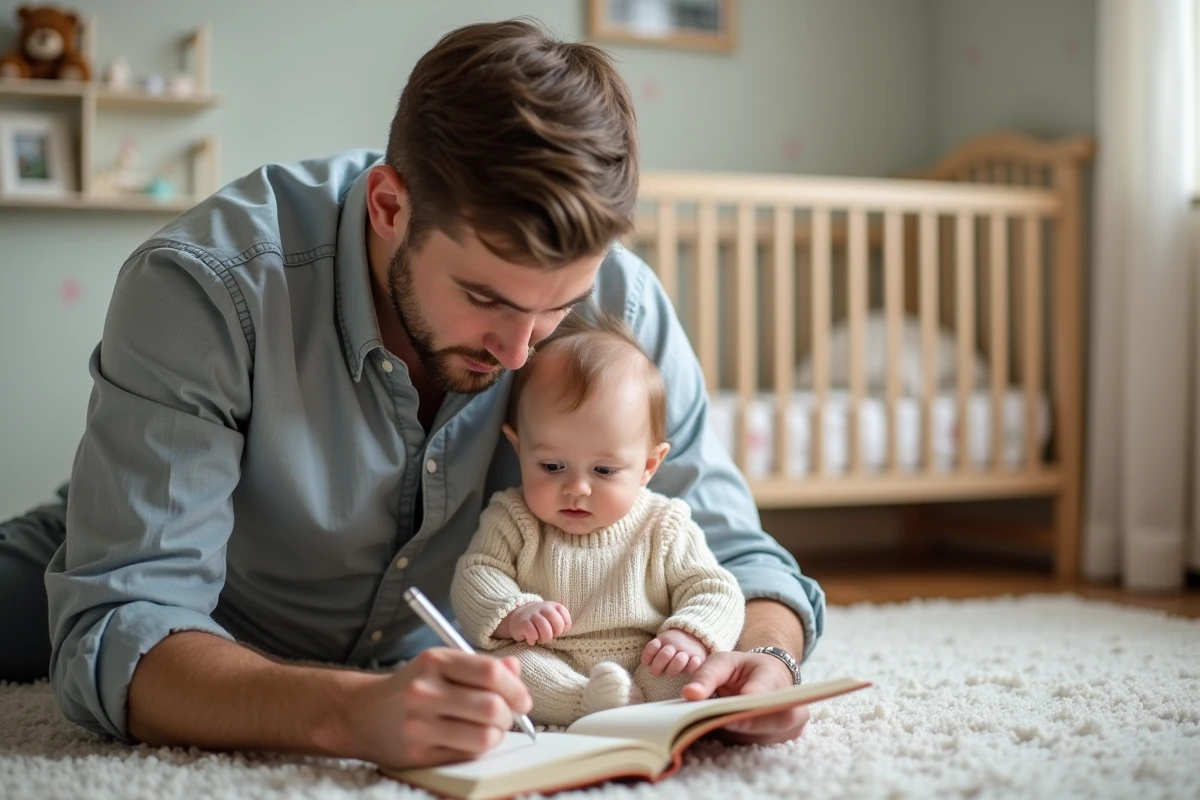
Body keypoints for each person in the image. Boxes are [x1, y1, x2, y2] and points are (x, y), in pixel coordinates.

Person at [0, 18, 825, 770]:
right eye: (487, 299)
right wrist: (350, 714)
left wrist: (765, 658)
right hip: (166, 572)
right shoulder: (207, 288)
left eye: (556, 307)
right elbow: (122, 622)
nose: (518, 352)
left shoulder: (625, 311)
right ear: (390, 205)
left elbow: (741, 557)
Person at [451, 311, 746, 726]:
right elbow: (475, 573)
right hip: (548, 655)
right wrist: (513, 612)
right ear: (519, 449)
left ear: (648, 466)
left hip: (645, 656)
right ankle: (585, 703)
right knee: (513, 669)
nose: (577, 488)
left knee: (685, 668)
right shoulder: (513, 517)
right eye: (552, 466)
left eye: (604, 471)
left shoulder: (664, 524)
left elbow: (717, 589)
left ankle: (639, 700)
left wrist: (690, 633)